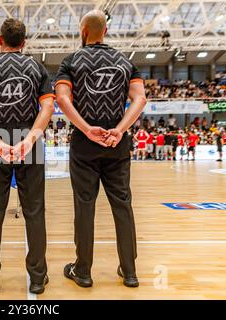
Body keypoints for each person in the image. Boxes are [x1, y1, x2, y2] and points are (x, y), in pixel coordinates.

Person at [55, 10, 147, 288]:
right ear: (105, 31)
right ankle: (129, 271)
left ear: (83, 31)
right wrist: (120, 129)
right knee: (122, 205)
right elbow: (140, 98)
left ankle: (82, 271)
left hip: (85, 144)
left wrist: (85, 128)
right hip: (117, 143)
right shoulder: (125, 62)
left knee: (84, 207)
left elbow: (62, 98)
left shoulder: (71, 61)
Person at [0, 18, 54, 294]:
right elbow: (47, 107)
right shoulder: (36, 67)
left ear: (0, 40)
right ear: (24, 42)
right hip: (31, 144)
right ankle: (38, 277)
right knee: (35, 211)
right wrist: (29, 139)